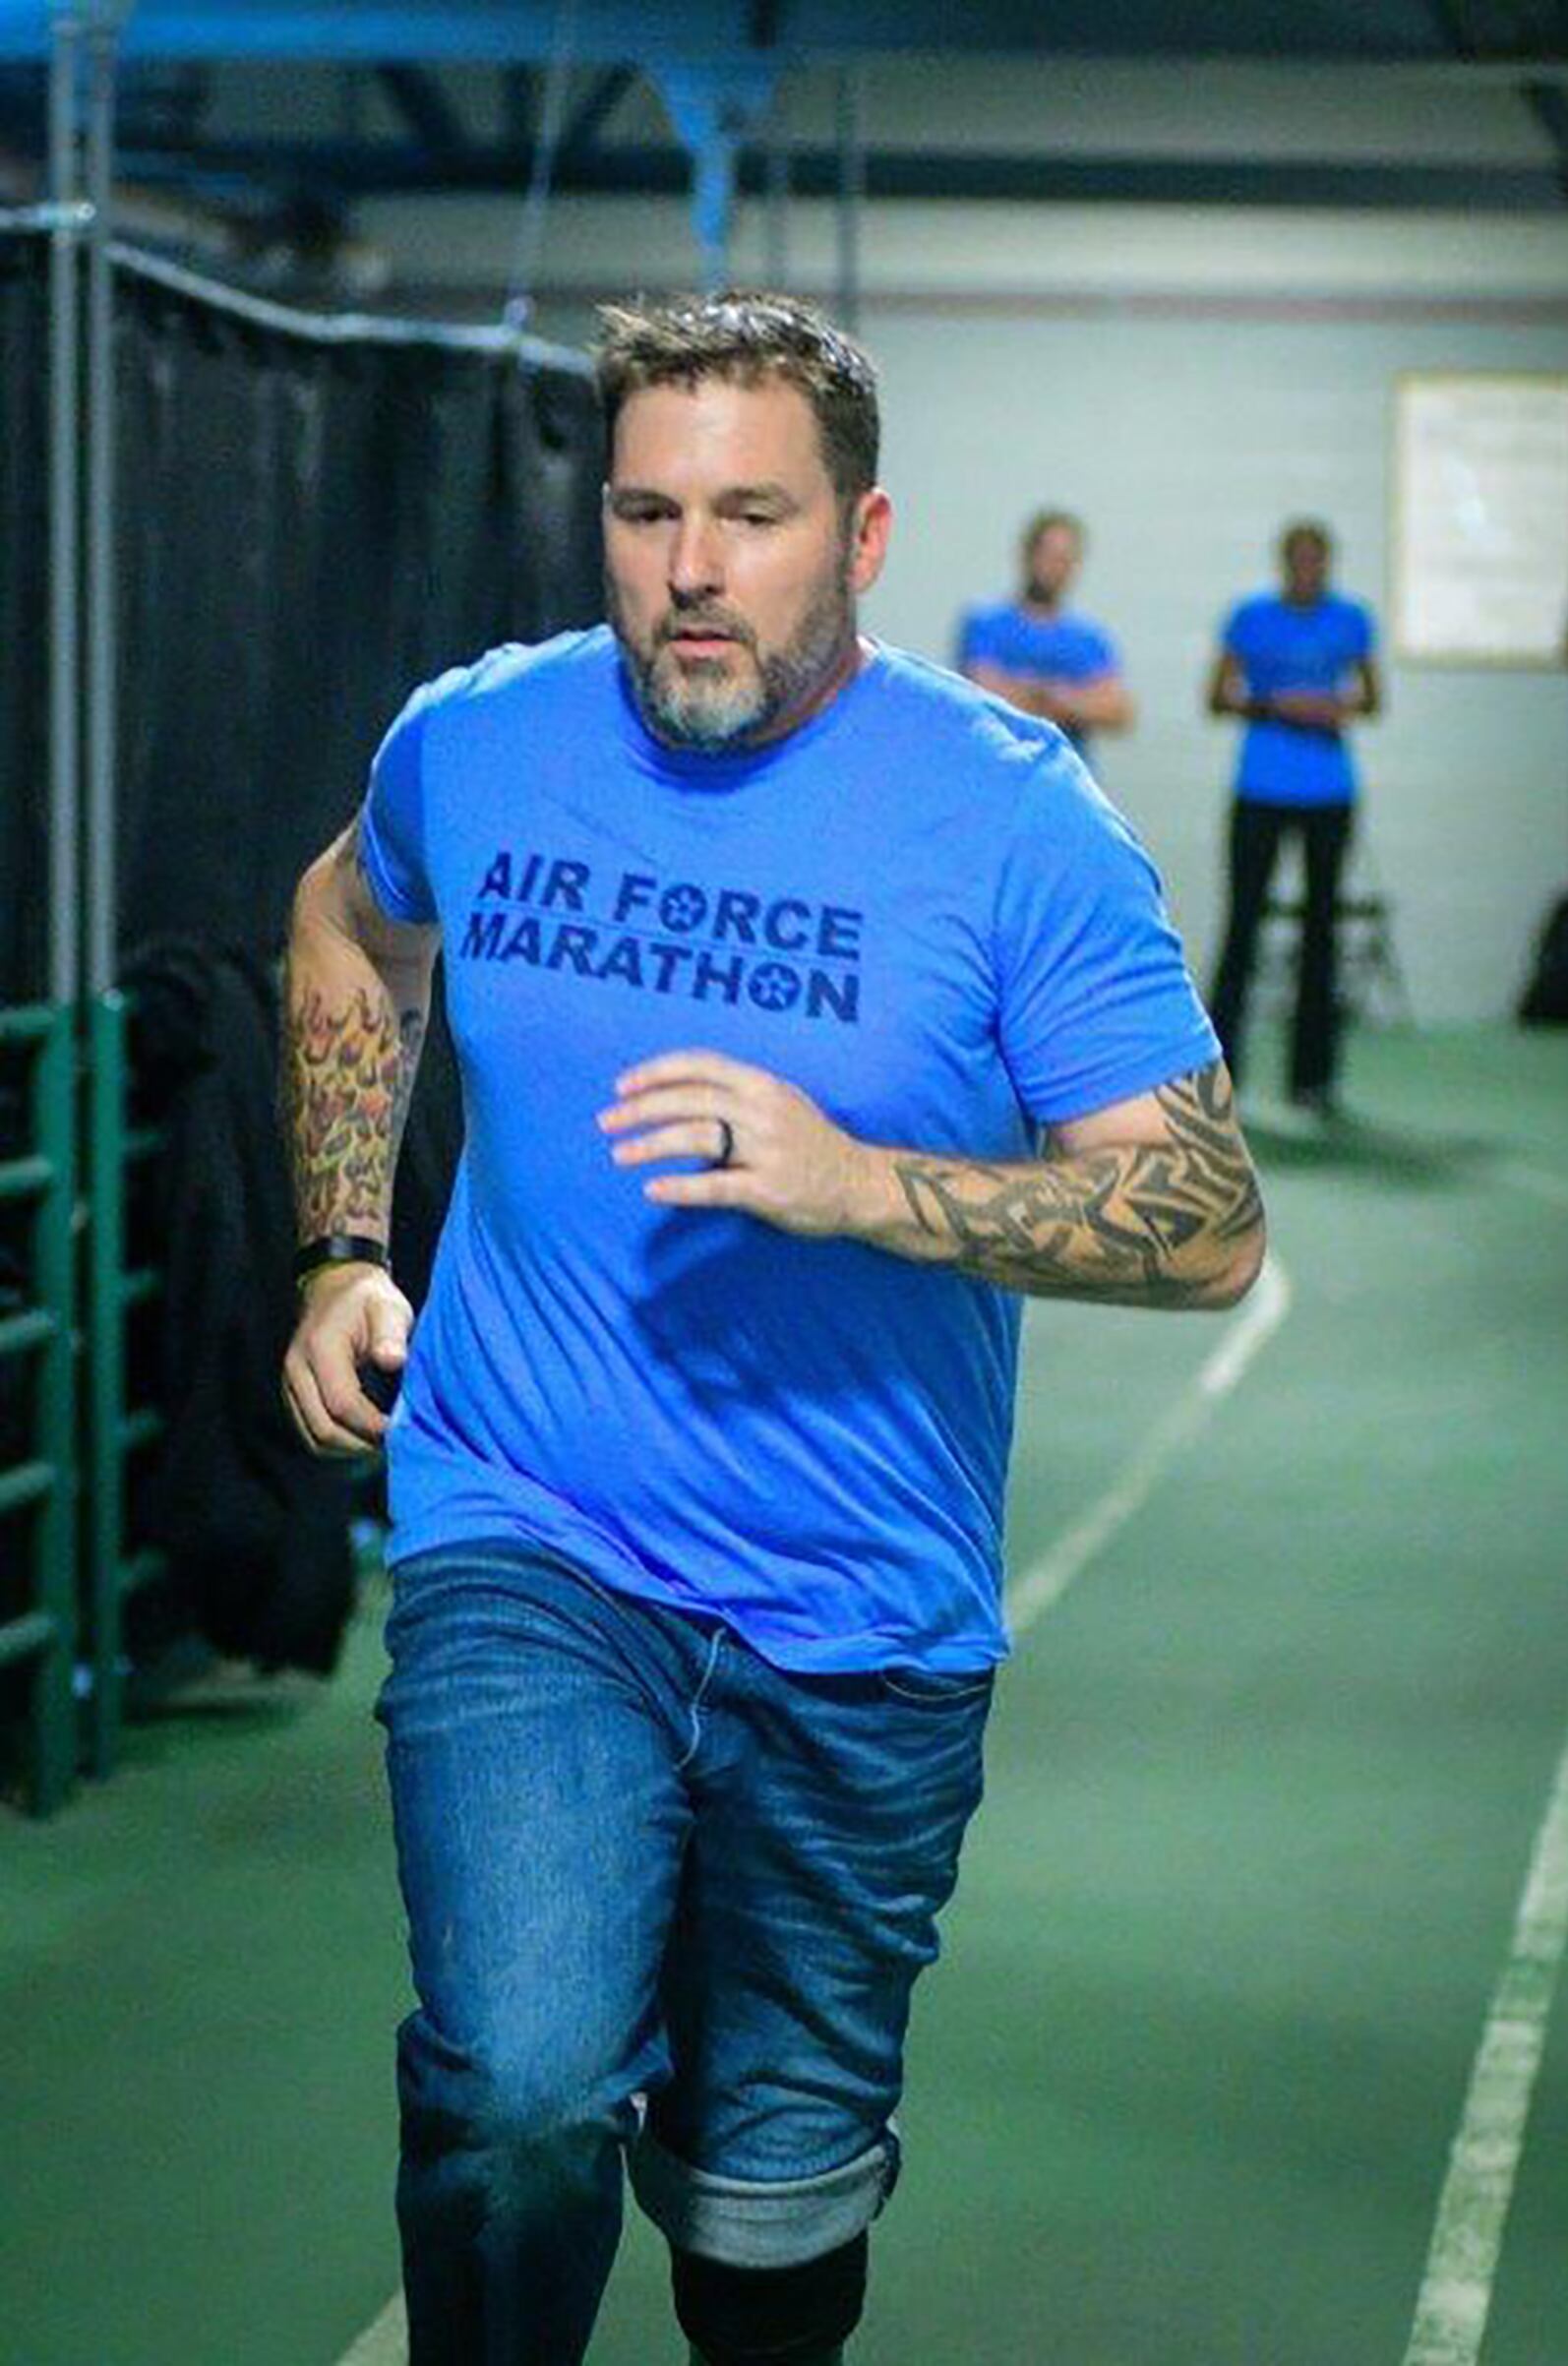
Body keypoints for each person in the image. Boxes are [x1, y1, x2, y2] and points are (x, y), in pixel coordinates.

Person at [280, 291, 1265, 2366]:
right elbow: (348, 932)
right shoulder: (476, 738)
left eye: (751, 514)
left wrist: (857, 1183)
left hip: (857, 1613)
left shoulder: (1008, 820)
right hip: (529, 1530)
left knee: (765, 2210)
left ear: (866, 535)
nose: (692, 571)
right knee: (525, 2092)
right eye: (646, 512)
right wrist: (339, 1247)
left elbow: (1200, 1222)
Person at [1205, 519, 1382, 1112]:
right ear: (1284, 563)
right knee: (1243, 926)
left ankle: (1312, 1077)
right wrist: (1275, 704)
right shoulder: (1250, 617)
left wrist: (1332, 706)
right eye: (1298, 560)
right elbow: (1217, 695)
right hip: (1261, 786)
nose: (1308, 570)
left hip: (1329, 791)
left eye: (1317, 561)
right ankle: (1223, 1072)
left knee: (1321, 929)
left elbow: (1373, 698)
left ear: (1328, 564)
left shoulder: (1351, 619)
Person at [954, 508, 1134, 760]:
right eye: (1048, 556)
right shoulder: (987, 623)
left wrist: (1044, 695)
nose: (1056, 568)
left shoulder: (1088, 638)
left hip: (1062, 779)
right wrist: (1075, 698)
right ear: (1027, 555)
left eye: (1065, 559)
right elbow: (986, 693)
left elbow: (1117, 711)